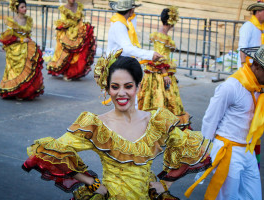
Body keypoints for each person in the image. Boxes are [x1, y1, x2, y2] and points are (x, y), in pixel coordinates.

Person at [22, 49, 211, 200]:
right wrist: (93, 184)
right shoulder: (96, 125)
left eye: (128, 86)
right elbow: (52, 151)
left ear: (138, 87)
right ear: (107, 89)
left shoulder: (157, 121)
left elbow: (190, 147)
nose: (122, 93)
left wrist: (165, 184)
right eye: (115, 87)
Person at [185, 46, 264, 200]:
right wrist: (204, 152)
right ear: (257, 66)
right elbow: (210, 119)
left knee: (254, 195)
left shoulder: (258, 87)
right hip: (229, 151)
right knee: (228, 196)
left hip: (248, 150)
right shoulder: (231, 86)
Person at [137, 7, 191, 130]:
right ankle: (159, 124)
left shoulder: (160, 35)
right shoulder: (162, 36)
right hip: (160, 73)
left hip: (159, 71)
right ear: (171, 20)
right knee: (160, 98)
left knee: (160, 99)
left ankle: (160, 123)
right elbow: (159, 57)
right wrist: (164, 74)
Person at [0, 0, 44, 100]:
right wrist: (21, 39)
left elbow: (27, 34)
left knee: (31, 64)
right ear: (17, 9)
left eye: (25, 7)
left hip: (26, 45)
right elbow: (8, 36)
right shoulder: (12, 21)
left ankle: (25, 91)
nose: (25, 9)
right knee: (16, 70)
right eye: (22, 7)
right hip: (16, 47)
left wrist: (27, 40)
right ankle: (15, 90)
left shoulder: (28, 20)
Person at [47, 0, 96, 81]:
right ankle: (66, 73)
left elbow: (80, 20)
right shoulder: (64, 8)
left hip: (78, 33)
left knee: (77, 54)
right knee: (66, 54)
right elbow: (63, 22)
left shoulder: (79, 6)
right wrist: (70, 27)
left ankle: (73, 72)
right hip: (67, 33)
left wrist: (81, 28)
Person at [238, 0, 264, 68]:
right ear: (258, 12)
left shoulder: (262, 27)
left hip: (258, 64)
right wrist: (243, 64)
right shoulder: (248, 26)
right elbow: (242, 47)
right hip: (248, 64)